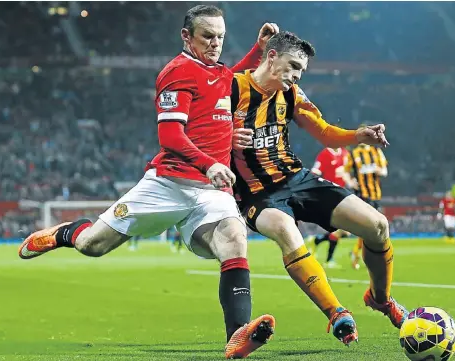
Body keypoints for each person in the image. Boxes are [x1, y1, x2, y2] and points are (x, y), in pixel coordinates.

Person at [18, 5, 279, 359]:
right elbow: (171, 135)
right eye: (208, 36)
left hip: (210, 192)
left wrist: (258, 50)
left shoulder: (217, 72)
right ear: (186, 36)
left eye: (220, 36)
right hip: (168, 184)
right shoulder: (176, 73)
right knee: (93, 245)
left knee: (235, 240)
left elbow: (225, 82)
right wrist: (209, 165)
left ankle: (237, 337)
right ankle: (65, 233)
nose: (216, 43)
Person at [230, 31, 408, 345]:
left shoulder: (292, 95)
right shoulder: (234, 88)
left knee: (378, 225)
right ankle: (336, 311)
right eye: (293, 66)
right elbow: (200, 131)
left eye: (301, 70)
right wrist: (226, 138)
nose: (297, 75)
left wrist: (359, 135)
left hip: (298, 179)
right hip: (257, 194)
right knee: (286, 229)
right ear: (272, 57)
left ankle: (381, 298)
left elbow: (324, 132)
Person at [345, 141, 388, 270]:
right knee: (370, 226)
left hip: (376, 195)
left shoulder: (376, 152)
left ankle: (357, 253)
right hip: (363, 195)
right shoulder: (354, 154)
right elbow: (345, 171)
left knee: (374, 228)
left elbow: (385, 171)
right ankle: (365, 255)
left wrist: (377, 170)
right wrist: (350, 182)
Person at [309, 146, 354, 268]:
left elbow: (346, 173)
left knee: (345, 232)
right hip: (330, 195)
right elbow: (315, 172)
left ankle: (317, 241)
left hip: (343, 194)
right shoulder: (325, 154)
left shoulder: (345, 153)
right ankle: (329, 260)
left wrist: (351, 182)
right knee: (342, 230)